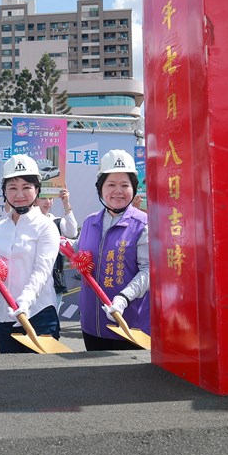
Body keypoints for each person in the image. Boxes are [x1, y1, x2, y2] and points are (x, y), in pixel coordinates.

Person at [75, 150, 150, 351]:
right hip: (92, 325)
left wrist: (123, 298)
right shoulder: (89, 222)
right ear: (100, 189)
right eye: (111, 184)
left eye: (125, 185)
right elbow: (78, 250)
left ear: (134, 188)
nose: (118, 191)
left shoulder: (142, 225)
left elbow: (148, 270)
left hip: (129, 324)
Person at [0, 154, 60, 354]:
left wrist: (26, 299)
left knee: (41, 380)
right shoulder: (0, 227)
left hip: (38, 314)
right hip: (3, 314)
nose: (19, 194)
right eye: (12, 188)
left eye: (26, 187)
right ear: (4, 191)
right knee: (10, 378)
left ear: (37, 190)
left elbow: (42, 271)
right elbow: (1, 266)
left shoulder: (46, 226)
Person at [36, 188, 78, 311]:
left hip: (55, 278)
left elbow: (72, 231)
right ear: (34, 199)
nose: (48, 202)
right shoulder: (27, 223)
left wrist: (66, 204)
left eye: (51, 198)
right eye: (43, 198)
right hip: (33, 279)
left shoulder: (57, 222)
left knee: (52, 319)